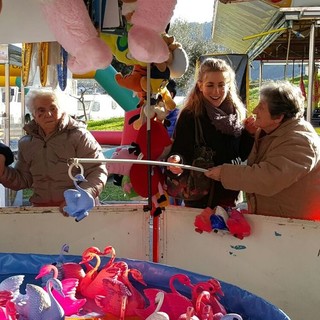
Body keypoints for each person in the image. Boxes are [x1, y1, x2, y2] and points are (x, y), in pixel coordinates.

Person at [205, 80, 320, 220]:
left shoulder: (300, 142)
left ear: (278, 117)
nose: (254, 111)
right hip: (276, 223)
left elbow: (267, 178)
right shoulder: (268, 132)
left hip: (295, 229)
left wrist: (224, 173)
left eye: (261, 107)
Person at [0, 88, 108, 216]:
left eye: (53, 108)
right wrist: (2, 172)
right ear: (33, 114)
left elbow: (98, 170)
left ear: (61, 109)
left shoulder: (80, 135)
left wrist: (83, 196)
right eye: (41, 110)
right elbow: (23, 180)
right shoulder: (26, 142)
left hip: (78, 212)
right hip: (42, 212)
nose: (48, 114)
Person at [167, 58, 255, 209]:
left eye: (221, 85)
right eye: (210, 85)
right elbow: (181, 149)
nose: (216, 91)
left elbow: (241, 154)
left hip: (230, 194)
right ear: (200, 85)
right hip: (200, 198)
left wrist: (249, 134)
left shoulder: (237, 112)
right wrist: (177, 160)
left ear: (229, 86)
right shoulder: (190, 115)